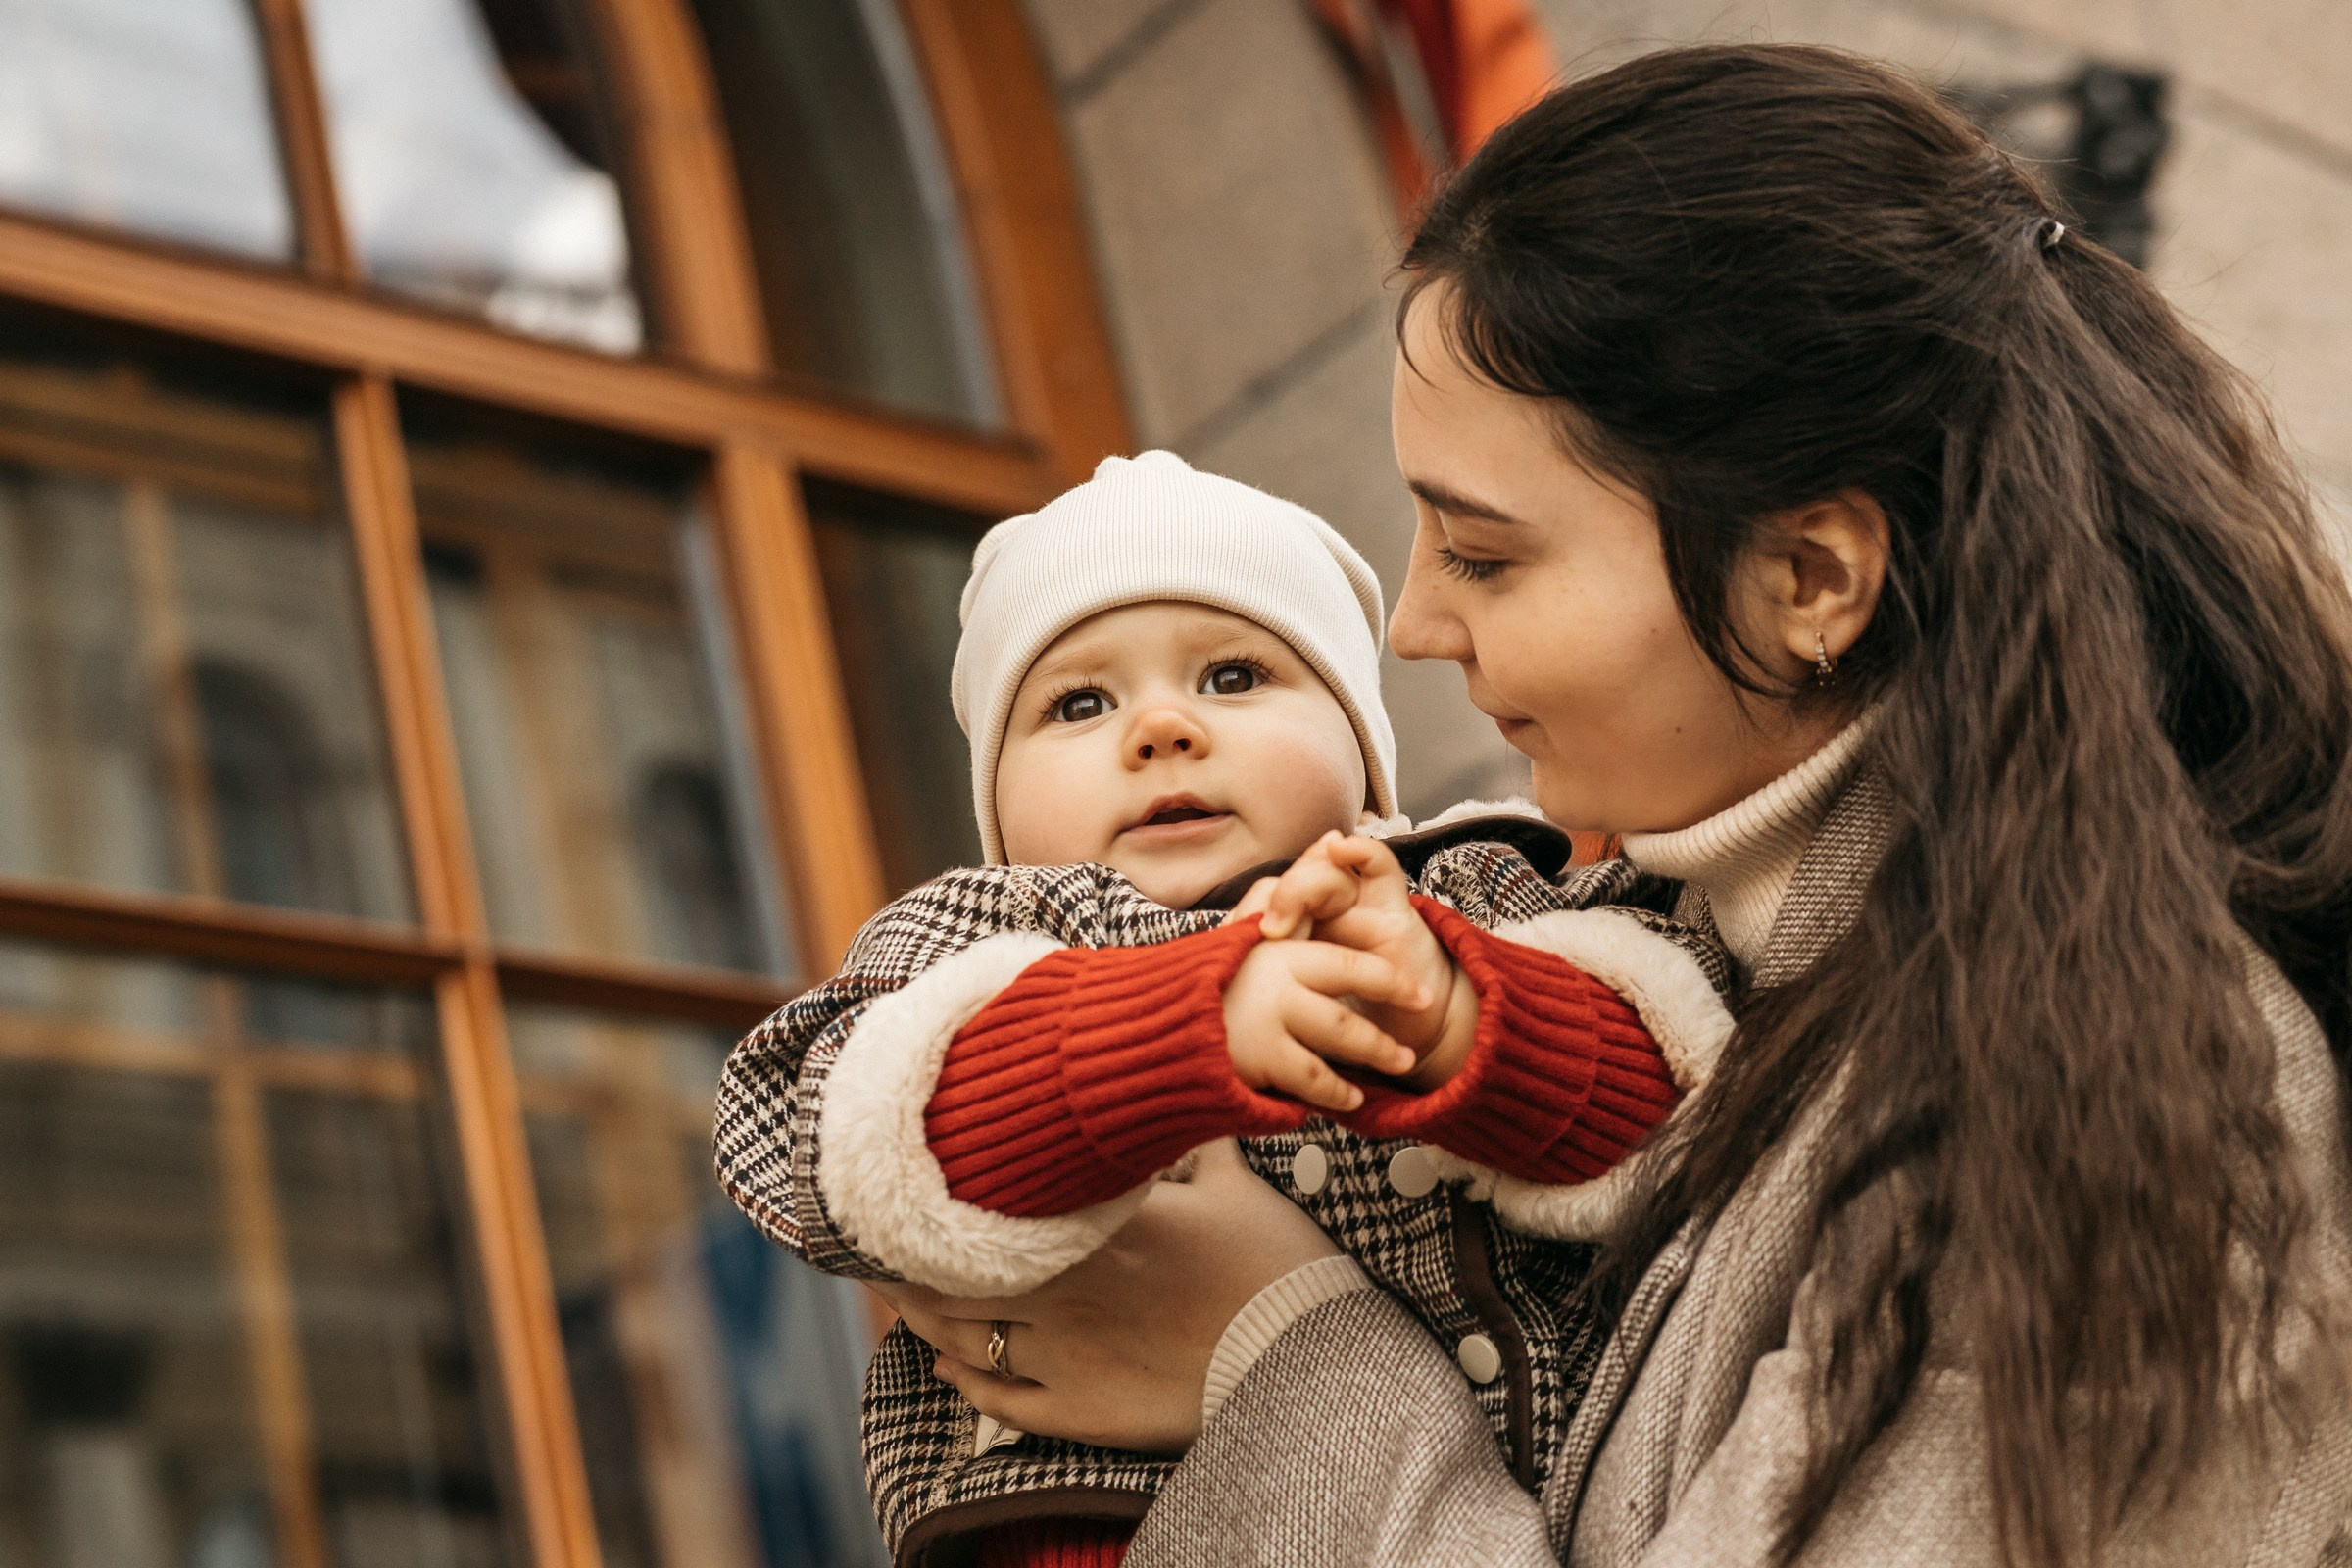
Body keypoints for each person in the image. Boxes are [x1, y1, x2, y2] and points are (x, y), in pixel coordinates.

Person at [877, 44, 2352, 1567]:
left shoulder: (2123, 1094)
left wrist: (1278, 1356)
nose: (1413, 628)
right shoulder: (1786, 990)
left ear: (1807, 580)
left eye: (1487, 553)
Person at [715, 450, 1737, 1566]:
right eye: (1080, 702)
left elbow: (1679, 1111)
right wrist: (1184, 1025)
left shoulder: (1467, 899)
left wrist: (1451, 1019)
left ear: (1361, 758)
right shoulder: (987, 947)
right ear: (997, 803)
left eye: (1233, 677)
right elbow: (847, 1151)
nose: (1160, 730)